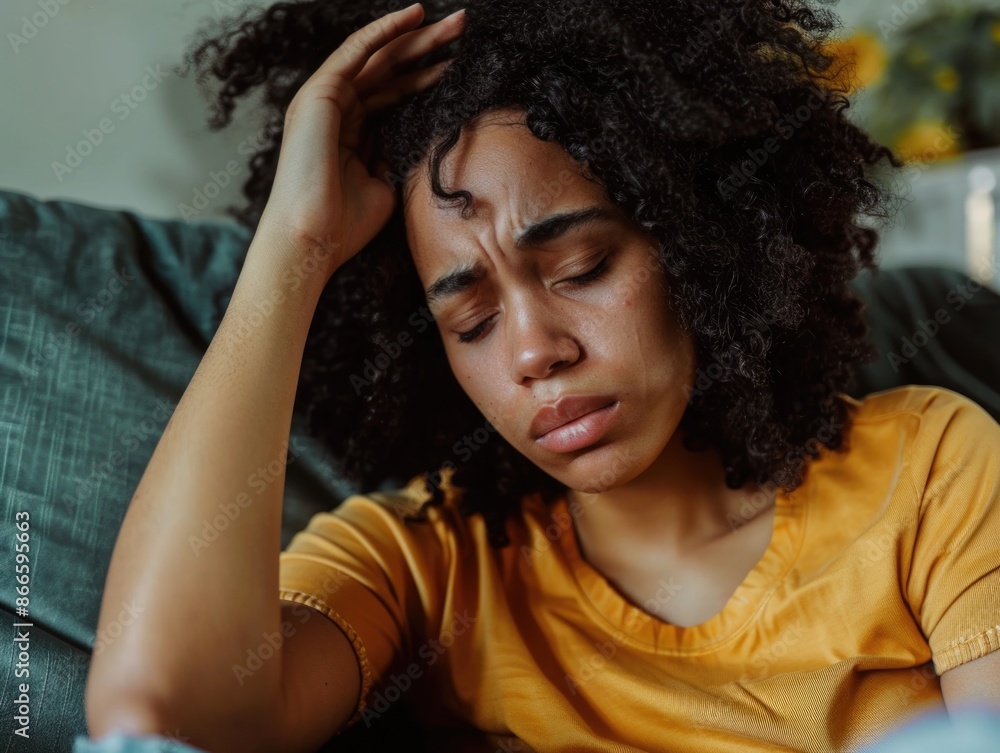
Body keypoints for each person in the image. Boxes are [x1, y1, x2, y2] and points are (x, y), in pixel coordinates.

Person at [78, 1, 1000, 752]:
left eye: (582, 269)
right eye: (471, 320)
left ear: (700, 240)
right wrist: (296, 250)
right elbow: (155, 717)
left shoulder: (929, 466)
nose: (533, 352)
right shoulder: (433, 561)